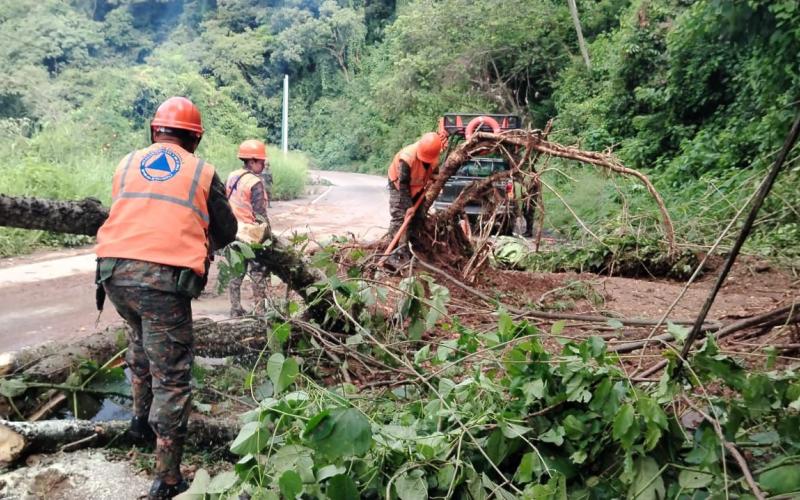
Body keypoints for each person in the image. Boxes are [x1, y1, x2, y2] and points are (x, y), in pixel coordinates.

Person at [95, 96, 237, 500]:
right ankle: (168, 478)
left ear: (155, 131)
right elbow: (227, 230)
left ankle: (138, 423)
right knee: (172, 376)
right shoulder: (202, 172)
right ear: (195, 138)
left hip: (113, 272)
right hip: (161, 280)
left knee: (139, 345)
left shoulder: (125, 162)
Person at [226, 139, 270, 317]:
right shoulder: (255, 182)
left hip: (233, 232)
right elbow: (260, 214)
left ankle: (235, 308)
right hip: (251, 234)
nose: (264, 164)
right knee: (258, 271)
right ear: (251, 161)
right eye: (261, 161)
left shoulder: (232, 176)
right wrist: (268, 236)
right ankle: (260, 310)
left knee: (236, 271)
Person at [386, 132, 444, 263]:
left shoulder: (434, 154)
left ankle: (410, 249)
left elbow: (434, 172)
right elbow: (403, 184)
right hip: (399, 184)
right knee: (399, 217)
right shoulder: (407, 157)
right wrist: (408, 206)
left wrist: (435, 178)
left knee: (418, 217)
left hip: (418, 186)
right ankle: (391, 255)